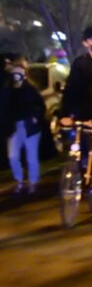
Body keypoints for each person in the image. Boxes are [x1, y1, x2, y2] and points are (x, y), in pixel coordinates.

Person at [3, 59, 46, 194]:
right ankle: (19, 180)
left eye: (19, 73)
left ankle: (33, 182)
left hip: (30, 127)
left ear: (24, 74)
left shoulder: (30, 89)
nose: (16, 76)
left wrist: (35, 118)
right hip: (14, 127)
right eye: (14, 73)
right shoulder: (8, 90)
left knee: (31, 157)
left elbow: (40, 106)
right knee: (13, 156)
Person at [60, 27, 92, 125]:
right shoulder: (80, 63)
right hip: (86, 118)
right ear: (85, 43)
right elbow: (71, 91)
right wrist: (66, 114)